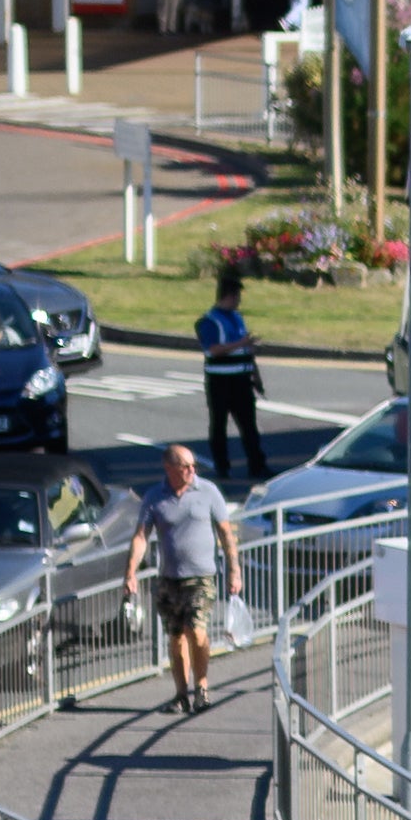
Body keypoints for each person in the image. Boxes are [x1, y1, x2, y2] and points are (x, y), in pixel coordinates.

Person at [123, 442, 245, 716]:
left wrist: (234, 570)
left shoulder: (208, 492)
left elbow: (226, 533)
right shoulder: (155, 497)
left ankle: (201, 687)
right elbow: (141, 536)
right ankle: (181, 694)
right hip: (170, 578)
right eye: (185, 467)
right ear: (169, 469)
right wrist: (130, 572)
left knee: (197, 630)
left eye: (193, 466)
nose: (192, 471)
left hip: (201, 576)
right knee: (176, 637)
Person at [197, 267, 267, 482]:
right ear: (229, 296)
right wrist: (242, 343)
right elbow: (214, 350)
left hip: (242, 380)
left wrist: (256, 376)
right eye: (237, 296)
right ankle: (222, 467)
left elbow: (246, 351)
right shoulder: (209, 321)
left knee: (249, 426)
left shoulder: (237, 317)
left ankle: (257, 465)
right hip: (220, 382)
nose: (239, 301)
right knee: (219, 426)